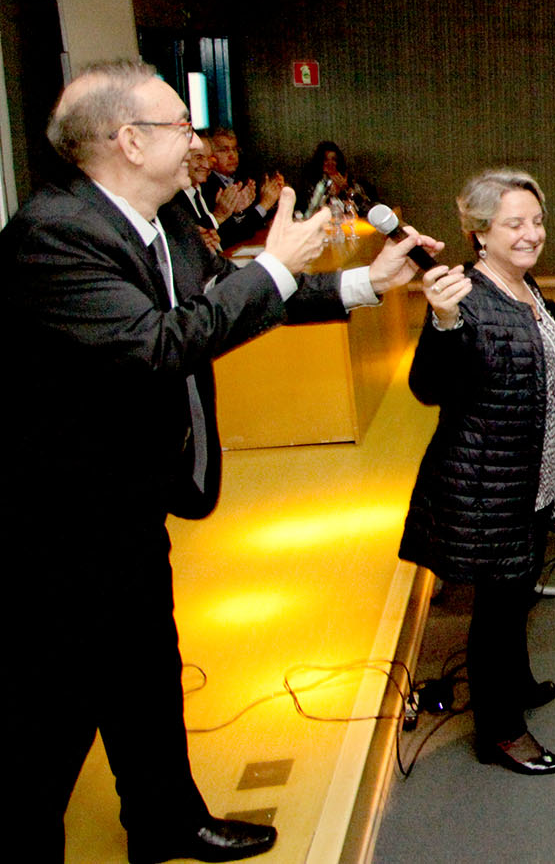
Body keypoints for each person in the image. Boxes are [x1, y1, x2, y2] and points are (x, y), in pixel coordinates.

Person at [7, 62, 437, 863]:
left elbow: (231, 298)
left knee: (145, 670)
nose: (197, 141)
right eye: (180, 124)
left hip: (128, 501)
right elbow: (159, 343)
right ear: (129, 141)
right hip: (56, 524)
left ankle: (164, 817)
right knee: (53, 712)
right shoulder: (54, 233)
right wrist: (278, 262)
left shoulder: (162, 216)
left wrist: (363, 281)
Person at [401, 170, 555, 776]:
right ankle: (500, 732)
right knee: (495, 612)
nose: (531, 234)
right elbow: (428, 386)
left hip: (528, 473)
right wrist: (443, 322)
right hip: (487, 482)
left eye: (537, 221)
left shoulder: (523, 284)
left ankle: (515, 682)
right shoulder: (465, 296)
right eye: (514, 224)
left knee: (517, 591)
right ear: (479, 233)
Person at [298, 138, 374, 213]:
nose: (330, 163)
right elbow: (309, 210)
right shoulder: (311, 183)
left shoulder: (349, 181)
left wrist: (346, 189)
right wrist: (326, 193)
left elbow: (368, 208)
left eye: (334, 159)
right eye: (326, 160)